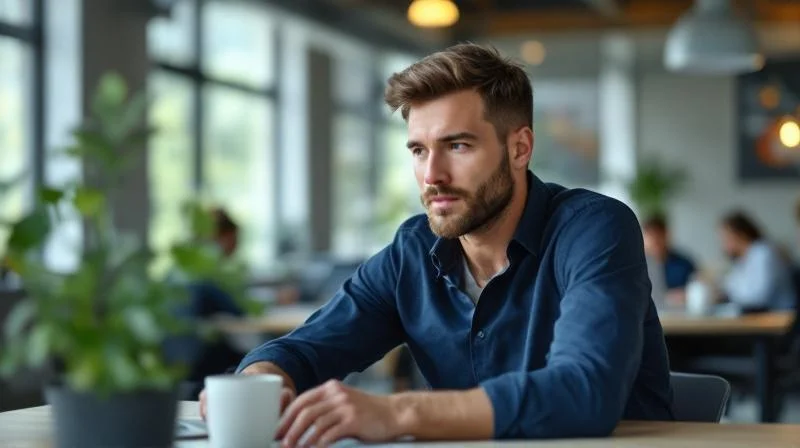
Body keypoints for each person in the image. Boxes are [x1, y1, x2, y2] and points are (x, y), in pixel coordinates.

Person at [200, 43, 674, 444]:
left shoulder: (593, 229)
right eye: (419, 150)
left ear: (519, 148)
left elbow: (586, 393)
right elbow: (306, 350)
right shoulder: (413, 252)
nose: (432, 176)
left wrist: (399, 413)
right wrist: (260, 382)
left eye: (458, 146)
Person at [719, 211, 795, 311]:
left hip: (779, 315)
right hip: (758, 314)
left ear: (741, 235)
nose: (723, 245)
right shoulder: (741, 259)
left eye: (725, 238)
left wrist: (728, 293)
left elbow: (758, 297)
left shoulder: (763, 253)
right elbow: (733, 287)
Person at [642, 214, 696, 306]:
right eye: (650, 235)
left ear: (666, 234)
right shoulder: (638, 266)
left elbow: (696, 290)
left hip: (679, 315)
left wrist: (688, 294)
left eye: (658, 235)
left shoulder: (683, 264)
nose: (655, 240)